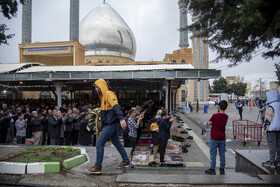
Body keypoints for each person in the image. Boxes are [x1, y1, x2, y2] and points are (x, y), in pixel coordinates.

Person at [85, 79, 130, 174]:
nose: (96, 89)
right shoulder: (103, 97)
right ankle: (126, 160)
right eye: (95, 88)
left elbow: (116, 106)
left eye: (97, 87)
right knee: (116, 142)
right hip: (110, 124)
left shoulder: (109, 94)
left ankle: (98, 167)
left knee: (99, 143)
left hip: (111, 124)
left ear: (101, 86)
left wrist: (121, 119)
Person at [205, 100, 228, 175]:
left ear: (219, 106)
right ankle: (222, 169)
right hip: (222, 137)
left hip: (214, 137)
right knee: (222, 154)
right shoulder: (226, 116)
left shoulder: (215, 115)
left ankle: (212, 168)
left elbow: (210, 122)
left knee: (213, 154)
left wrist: (216, 113)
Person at [262, 89, 280, 168]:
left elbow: (268, 119)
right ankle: (278, 160)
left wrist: (264, 129)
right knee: (278, 145)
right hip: (279, 129)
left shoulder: (271, 106)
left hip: (271, 129)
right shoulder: (279, 104)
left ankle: (271, 161)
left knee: (272, 145)